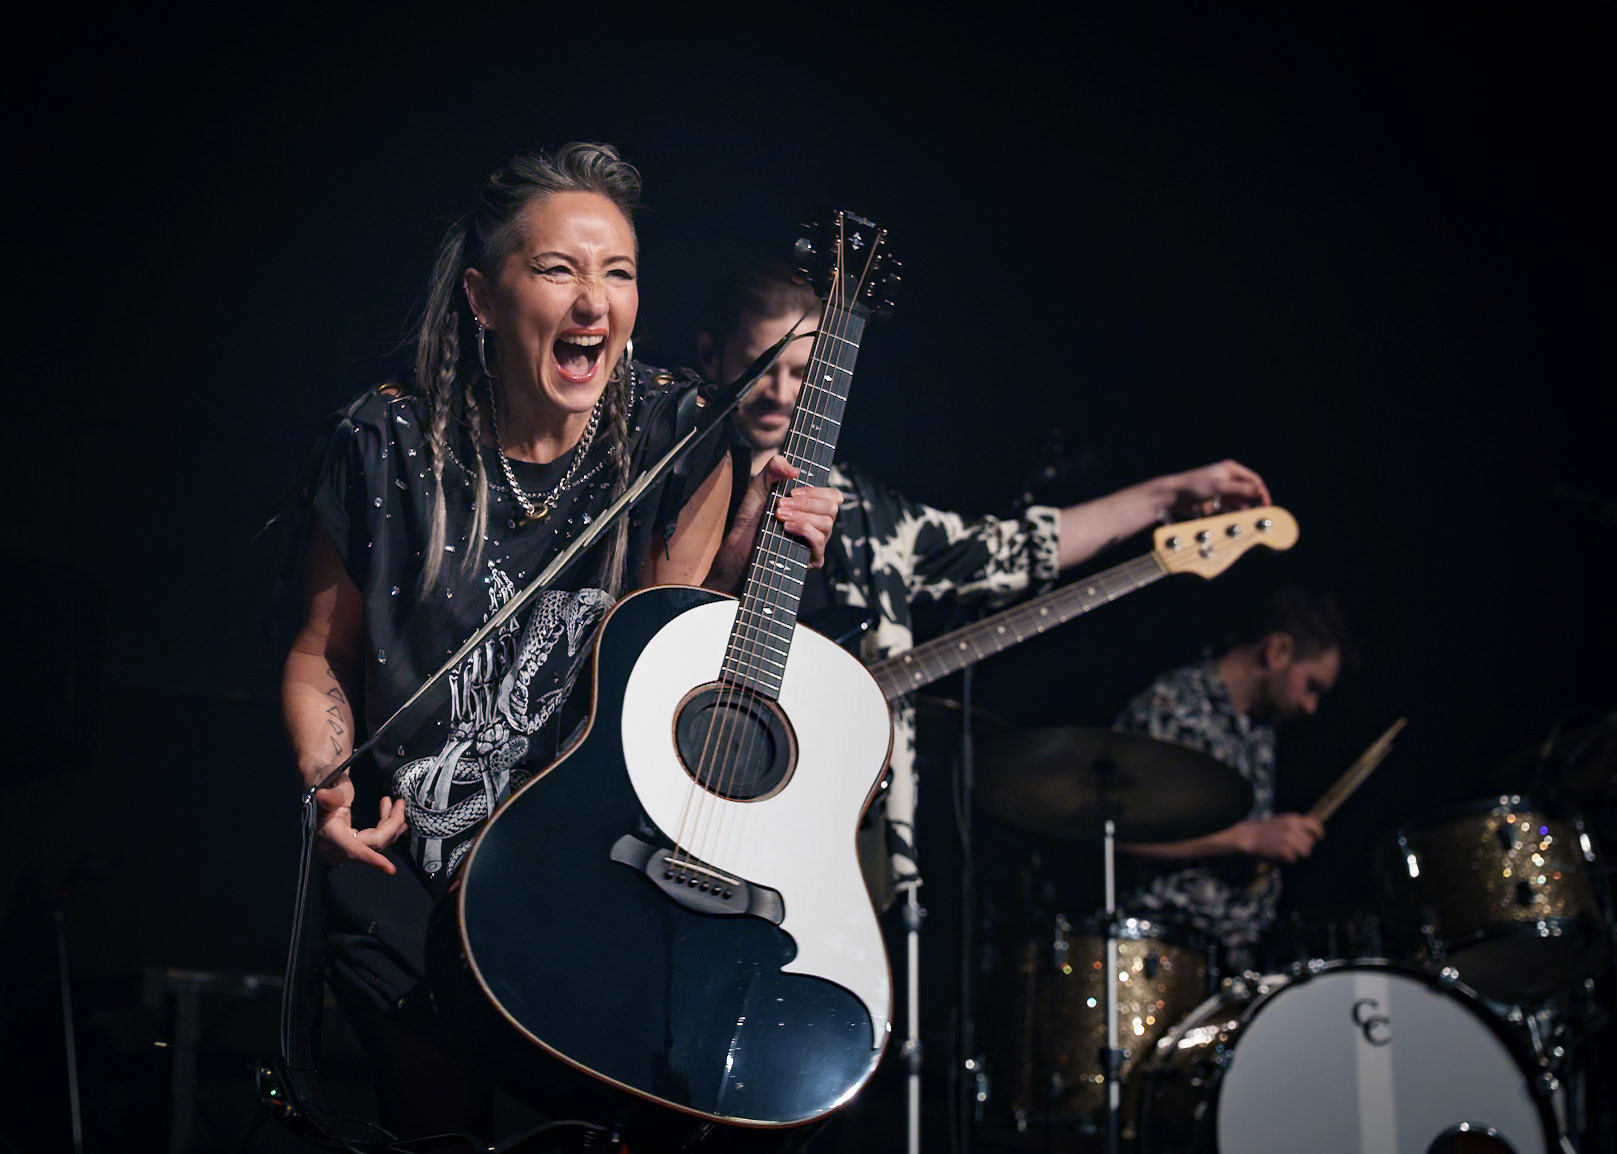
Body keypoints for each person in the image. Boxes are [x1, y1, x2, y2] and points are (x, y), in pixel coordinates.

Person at [279, 145, 841, 1140]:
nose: (594, 301)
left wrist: (759, 539)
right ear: (482, 298)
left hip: (585, 861)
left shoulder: (679, 427)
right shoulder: (384, 444)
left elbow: (668, 635)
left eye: (617, 273)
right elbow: (324, 646)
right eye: (558, 270)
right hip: (409, 860)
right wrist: (327, 776)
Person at [697, 263, 1274, 896]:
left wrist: (1168, 495)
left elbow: (1021, 548)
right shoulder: (672, 478)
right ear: (714, 357)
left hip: (840, 845)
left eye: (802, 373)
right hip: (690, 793)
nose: (781, 392)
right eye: (762, 367)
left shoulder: (871, 516)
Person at [1115, 588, 1348, 968]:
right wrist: (1250, 836)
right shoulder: (1174, 705)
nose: (1311, 706)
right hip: (1167, 955)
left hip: (1241, 955)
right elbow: (1120, 826)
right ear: (1278, 651)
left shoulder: (1260, 725)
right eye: (1312, 686)